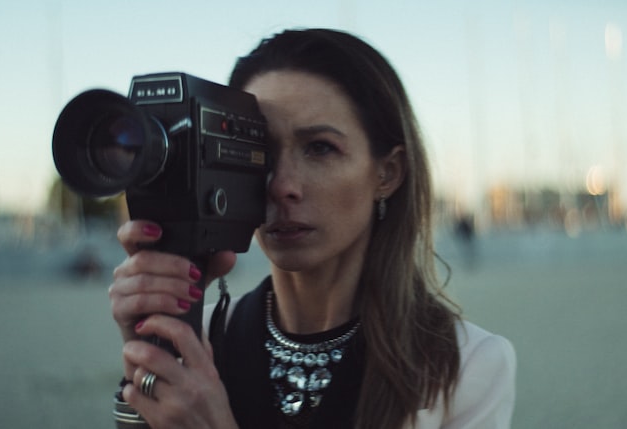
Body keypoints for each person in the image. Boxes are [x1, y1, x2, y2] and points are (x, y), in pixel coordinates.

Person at [108, 28, 516, 429]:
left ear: (387, 173)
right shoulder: (195, 342)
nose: (282, 185)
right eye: (260, 150)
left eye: (320, 148)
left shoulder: (465, 365)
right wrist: (149, 358)